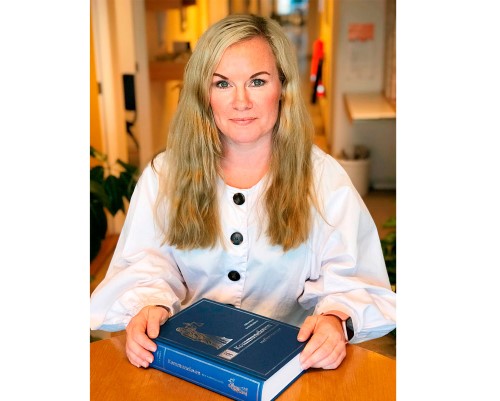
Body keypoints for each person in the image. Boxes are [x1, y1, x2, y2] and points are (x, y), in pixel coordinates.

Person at [90, 14, 396, 371]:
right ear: (204, 94)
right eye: (222, 83)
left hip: (289, 364)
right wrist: (149, 305)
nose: (241, 101)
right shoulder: (165, 175)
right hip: (189, 361)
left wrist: (335, 319)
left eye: (257, 81)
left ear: (283, 87)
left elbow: (352, 278)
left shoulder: (323, 179)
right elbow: (147, 263)